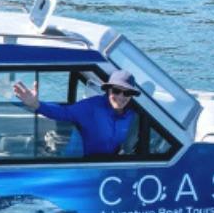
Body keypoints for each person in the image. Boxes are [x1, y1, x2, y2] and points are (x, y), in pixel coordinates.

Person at [11, 68, 141, 160]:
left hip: (112, 167)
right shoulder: (91, 107)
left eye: (127, 93)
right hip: (87, 165)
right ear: (108, 90)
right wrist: (36, 104)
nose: (121, 96)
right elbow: (63, 112)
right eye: (117, 91)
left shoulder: (132, 115)